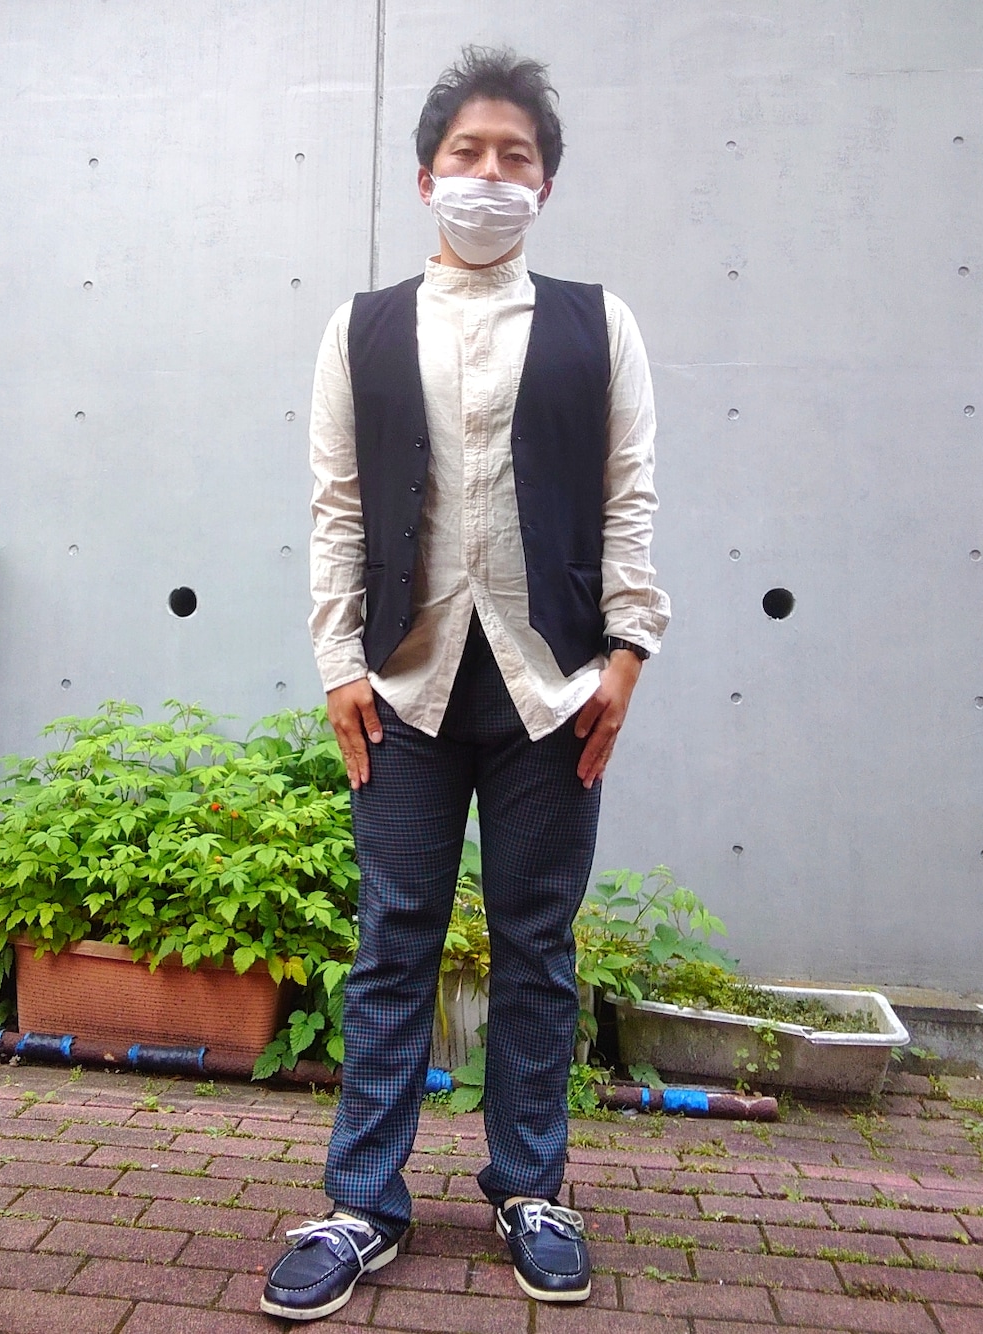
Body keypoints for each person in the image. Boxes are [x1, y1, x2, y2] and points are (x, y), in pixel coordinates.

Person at [261, 45, 669, 1322]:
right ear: (426, 174)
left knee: (536, 945)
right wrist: (338, 663)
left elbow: (628, 497)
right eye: (468, 153)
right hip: (404, 685)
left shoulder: (598, 323)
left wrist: (627, 654)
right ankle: (361, 1202)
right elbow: (336, 507)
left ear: (545, 183)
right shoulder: (362, 328)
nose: (490, 174)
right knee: (393, 937)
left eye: (516, 156)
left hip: (554, 686)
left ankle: (531, 1187)